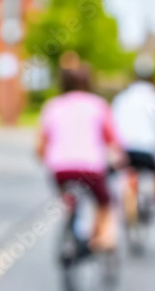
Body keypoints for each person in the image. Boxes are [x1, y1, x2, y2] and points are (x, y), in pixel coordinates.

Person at [37, 58, 120, 251]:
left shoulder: (52, 106)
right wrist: (119, 159)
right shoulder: (97, 105)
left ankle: (71, 229)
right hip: (91, 168)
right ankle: (98, 241)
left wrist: (47, 160)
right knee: (104, 202)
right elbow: (112, 140)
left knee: (69, 200)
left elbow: (42, 144)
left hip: (60, 168)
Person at [111, 55, 155, 220]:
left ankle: (128, 208)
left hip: (124, 150)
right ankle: (152, 205)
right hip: (148, 150)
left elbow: (112, 126)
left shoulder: (121, 99)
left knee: (125, 175)